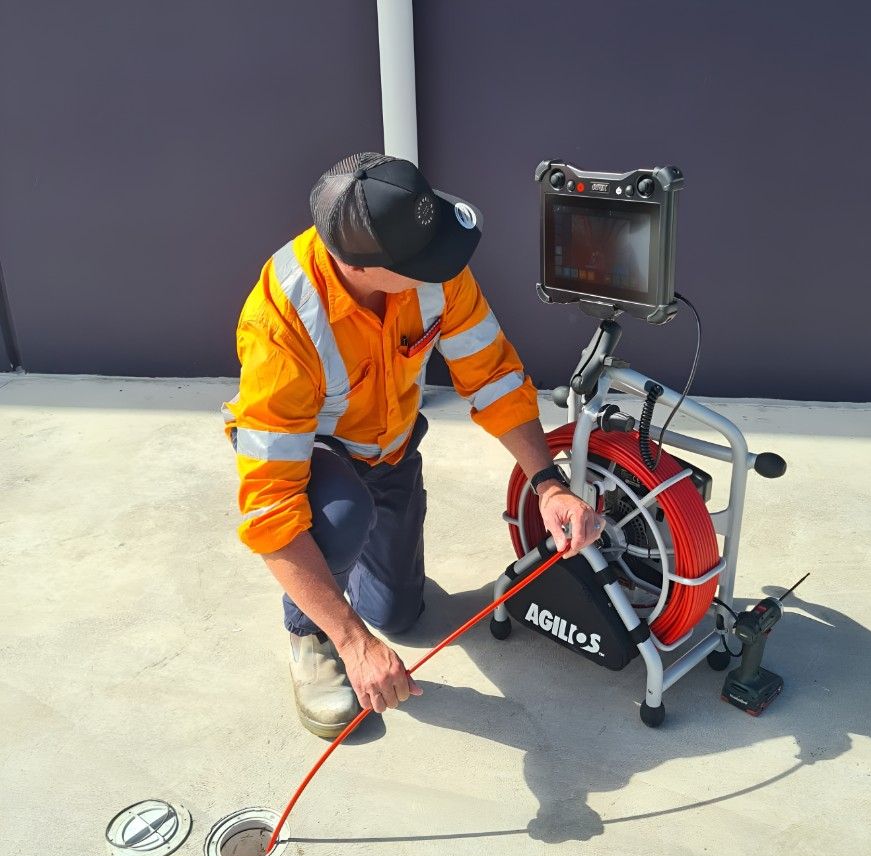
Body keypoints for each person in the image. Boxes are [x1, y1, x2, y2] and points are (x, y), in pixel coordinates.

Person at [223, 152, 603, 739]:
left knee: (398, 616)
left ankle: (353, 600)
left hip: (394, 449)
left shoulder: (431, 271)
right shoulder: (283, 323)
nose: (445, 269)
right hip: (317, 461)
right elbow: (268, 510)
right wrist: (352, 644)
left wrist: (547, 483)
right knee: (343, 519)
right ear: (363, 267)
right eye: (427, 263)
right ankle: (309, 637)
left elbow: (493, 377)